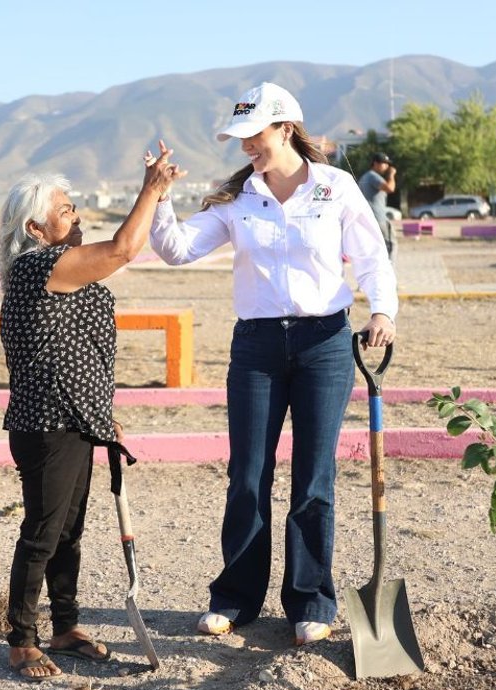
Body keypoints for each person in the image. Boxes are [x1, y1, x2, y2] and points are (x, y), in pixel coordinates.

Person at [146, 82, 399, 647]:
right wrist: (160, 196)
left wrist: (383, 309)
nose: (245, 147)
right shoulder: (236, 198)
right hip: (257, 347)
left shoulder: (335, 188)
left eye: (253, 135)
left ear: (285, 127)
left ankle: (310, 600)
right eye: (239, 138)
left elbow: (370, 254)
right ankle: (235, 597)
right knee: (248, 474)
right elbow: (178, 249)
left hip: (324, 344)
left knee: (314, 477)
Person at [0, 152, 182, 682]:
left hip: (77, 418)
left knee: (68, 531)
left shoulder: (60, 270)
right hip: (46, 423)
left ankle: (65, 627)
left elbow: (76, 349)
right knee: (43, 532)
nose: (76, 217)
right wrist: (151, 189)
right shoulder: (37, 267)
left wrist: (104, 412)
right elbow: (124, 249)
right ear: (35, 228)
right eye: (67, 211)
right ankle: (22, 641)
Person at [358, 152, 398, 258]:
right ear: (375, 163)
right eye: (384, 163)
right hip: (379, 218)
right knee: (390, 246)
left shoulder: (364, 177)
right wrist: (391, 175)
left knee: (375, 249)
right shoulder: (373, 176)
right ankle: (389, 272)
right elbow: (390, 188)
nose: (387, 166)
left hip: (369, 218)